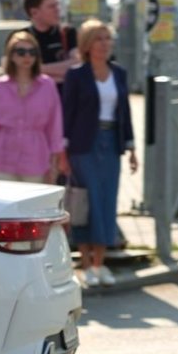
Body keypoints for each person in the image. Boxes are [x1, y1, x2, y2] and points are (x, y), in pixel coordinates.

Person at [61, 19, 136, 287]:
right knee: (86, 203)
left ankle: (100, 263)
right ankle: (85, 263)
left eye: (108, 38)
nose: (105, 44)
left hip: (110, 141)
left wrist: (131, 147)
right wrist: (63, 153)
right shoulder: (76, 75)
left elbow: (124, 111)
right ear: (87, 44)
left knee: (107, 201)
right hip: (83, 145)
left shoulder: (118, 73)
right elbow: (66, 116)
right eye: (99, 39)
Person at [0, 31, 63, 184]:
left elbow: (54, 127)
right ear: (11, 55)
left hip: (36, 161)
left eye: (32, 52)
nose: (27, 57)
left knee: (32, 207)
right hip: (3, 160)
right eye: (21, 52)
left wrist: (54, 164)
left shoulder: (47, 86)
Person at [22, 0, 80, 87]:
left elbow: (77, 66)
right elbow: (16, 71)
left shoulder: (67, 33)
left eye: (57, 5)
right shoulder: (22, 38)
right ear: (34, 12)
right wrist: (60, 73)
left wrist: (35, 69)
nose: (57, 10)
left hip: (64, 100)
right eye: (51, 6)